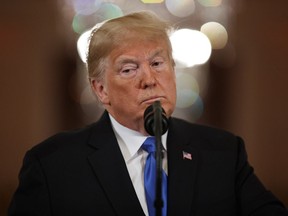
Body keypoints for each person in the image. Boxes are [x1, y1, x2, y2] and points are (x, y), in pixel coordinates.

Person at [8, 11, 288, 216]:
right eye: (129, 69)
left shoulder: (224, 153)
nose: (150, 79)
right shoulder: (52, 165)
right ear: (101, 89)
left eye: (157, 63)